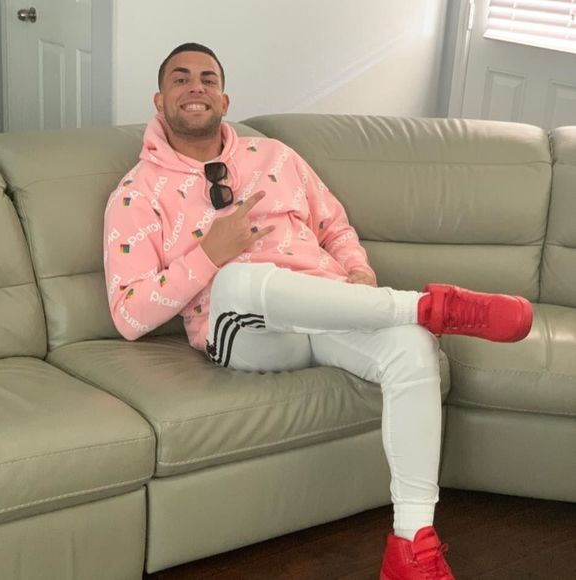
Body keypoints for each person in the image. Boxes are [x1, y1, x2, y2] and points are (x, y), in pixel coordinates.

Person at [103, 43, 533, 580]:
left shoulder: (275, 157)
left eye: (208, 79)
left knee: (411, 345)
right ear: (159, 99)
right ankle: (426, 306)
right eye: (181, 78)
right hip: (244, 329)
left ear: (224, 99)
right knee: (238, 276)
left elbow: (336, 226)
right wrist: (210, 252)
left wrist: (359, 273)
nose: (196, 87)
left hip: (325, 304)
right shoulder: (136, 193)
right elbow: (128, 316)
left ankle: (411, 546)